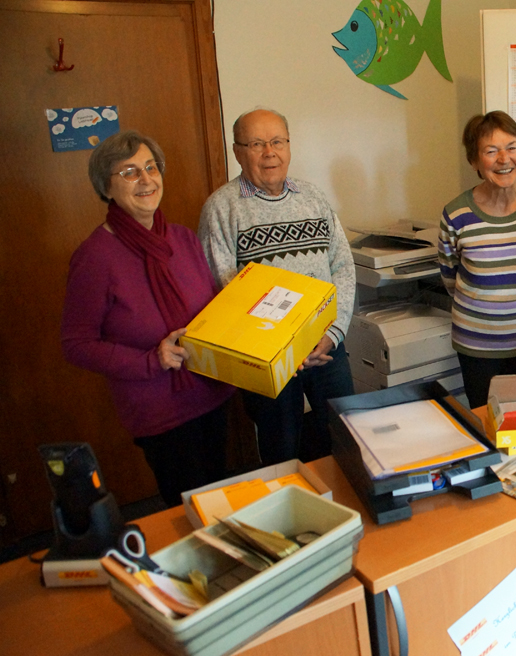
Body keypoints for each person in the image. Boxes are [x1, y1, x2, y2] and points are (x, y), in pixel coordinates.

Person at [61, 130, 234, 507]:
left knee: (221, 501)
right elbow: (76, 345)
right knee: (191, 510)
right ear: (105, 187)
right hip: (160, 411)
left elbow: (214, 309)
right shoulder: (95, 257)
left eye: (151, 167)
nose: (145, 179)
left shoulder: (183, 239)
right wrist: (151, 360)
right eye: (129, 172)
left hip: (212, 393)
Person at [199, 108, 355, 465]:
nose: (269, 152)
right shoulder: (221, 208)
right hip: (266, 358)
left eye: (277, 142)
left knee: (346, 438)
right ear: (237, 151)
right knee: (281, 452)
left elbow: (343, 267)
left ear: (288, 146)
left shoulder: (314, 197)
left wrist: (332, 334)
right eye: (256, 144)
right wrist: (284, 347)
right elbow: (224, 287)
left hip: (326, 346)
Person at [439, 111, 516, 408]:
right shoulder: (456, 214)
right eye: (491, 151)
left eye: (511, 147)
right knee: (486, 422)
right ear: (474, 161)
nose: (504, 159)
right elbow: (450, 276)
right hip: (477, 344)